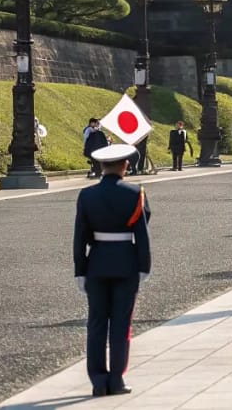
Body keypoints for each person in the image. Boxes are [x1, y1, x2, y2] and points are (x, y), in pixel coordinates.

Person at [73, 143, 151, 397]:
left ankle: (97, 380)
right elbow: (142, 232)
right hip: (126, 263)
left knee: (96, 323)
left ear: (101, 166)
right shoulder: (135, 193)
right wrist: (143, 265)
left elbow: (80, 236)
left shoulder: (86, 195)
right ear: (125, 165)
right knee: (121, 323)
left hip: (96, 263)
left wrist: (80, 269)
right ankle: (116, 378)